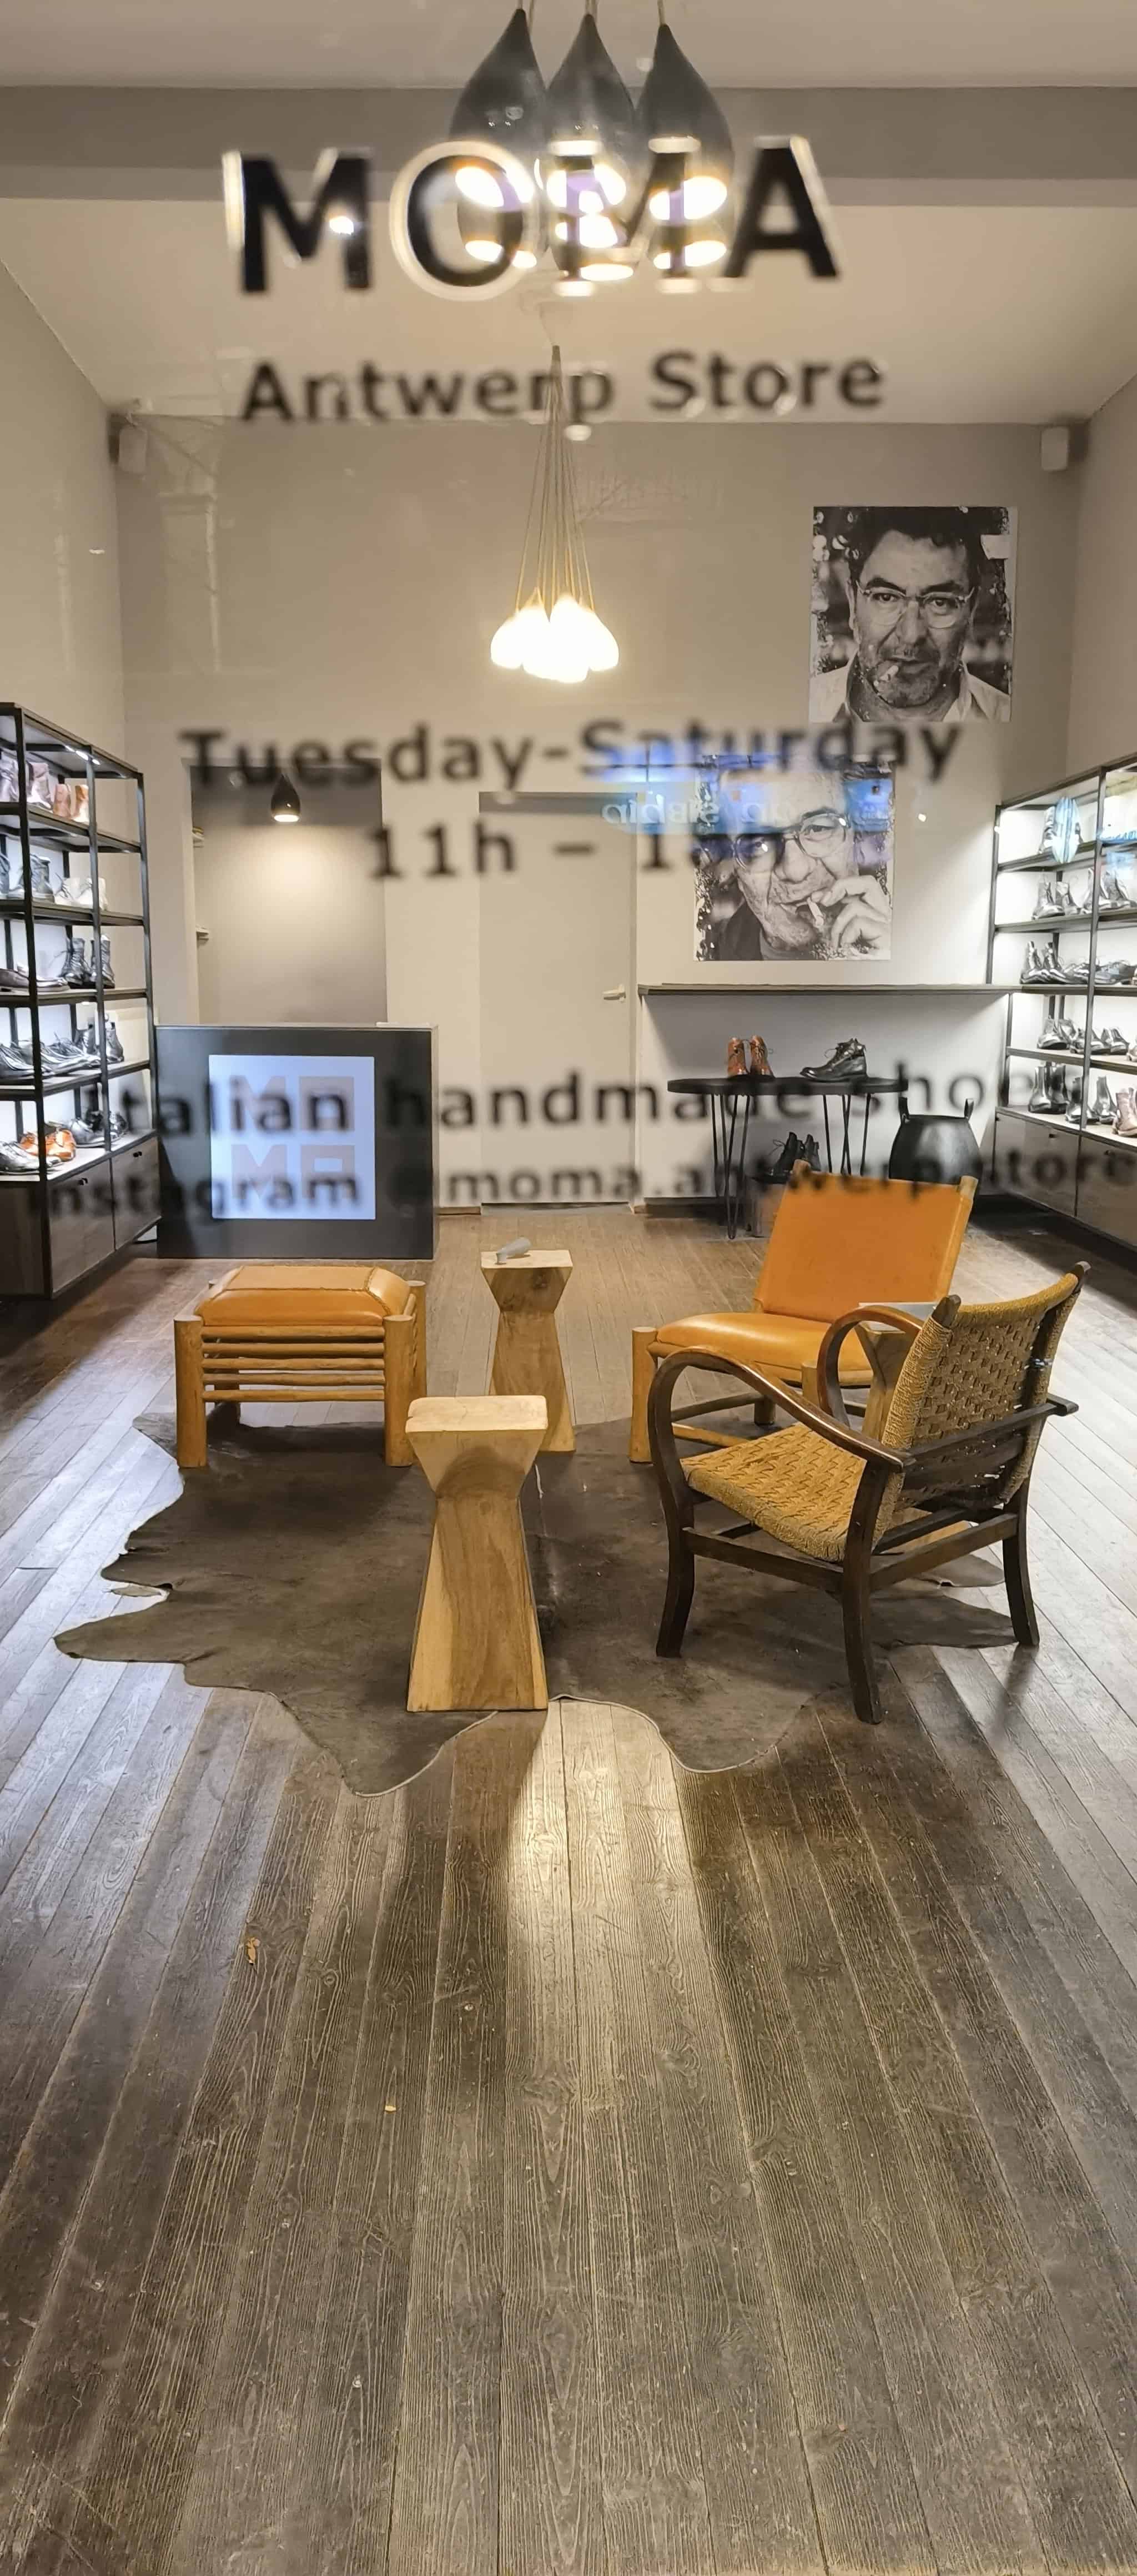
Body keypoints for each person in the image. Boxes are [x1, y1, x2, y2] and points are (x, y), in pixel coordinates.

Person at [811, 506, 1011, 724]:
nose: (911, 635)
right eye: (886, 598)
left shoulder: (1010, 718)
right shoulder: (808, 707)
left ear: (971, 610)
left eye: (940, 602)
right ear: (853, 603)